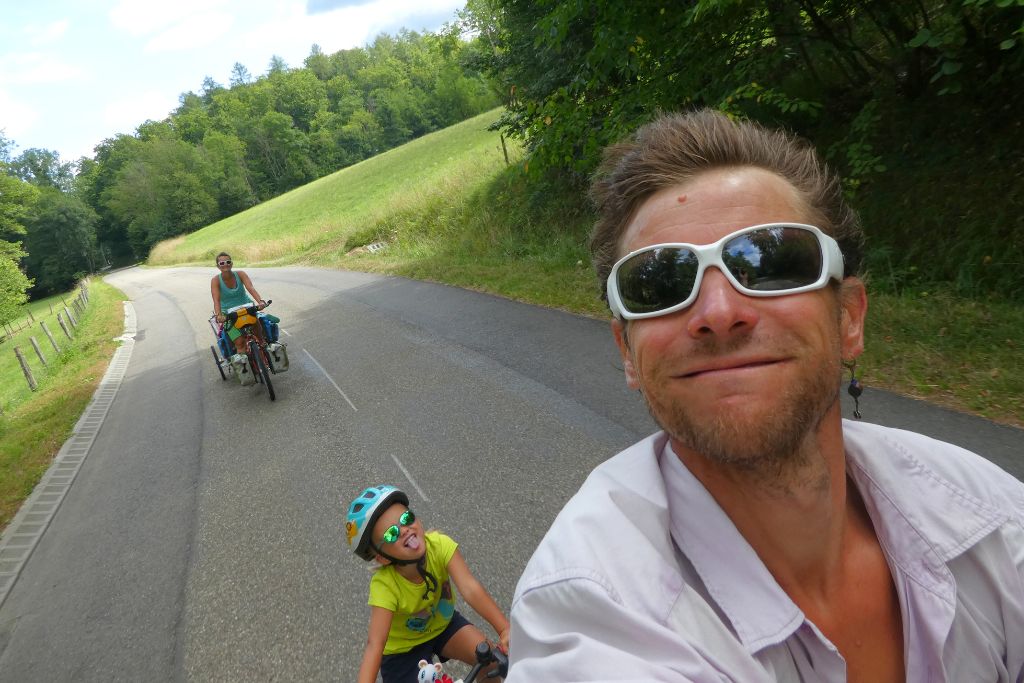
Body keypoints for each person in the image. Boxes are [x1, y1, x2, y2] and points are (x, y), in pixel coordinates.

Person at [508, 109, 1024, 681]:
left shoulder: (991, 518)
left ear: (849, 317)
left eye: (773, 263)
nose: (719, 314)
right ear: (627, 352)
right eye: (660, 281)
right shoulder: (595, 617)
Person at [346, 485, 510, 683]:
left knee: (491, 661)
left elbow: (470, 588)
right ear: (382, 558)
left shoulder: (440, 545)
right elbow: (375, 644)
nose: (405, 530)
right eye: (391, 534)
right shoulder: (384, 586)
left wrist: (504, 629)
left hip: (443, 625)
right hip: (402, 652)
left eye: (407, 518)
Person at [210, 252, 282, 383]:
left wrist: (260, 301)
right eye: (222, 263)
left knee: (260, 336)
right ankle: (246, 373)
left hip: (247, 307)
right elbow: (216, 300)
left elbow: (250, 288)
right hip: (228, 313)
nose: (225, 265)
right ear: (218, 266)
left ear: (232, 263)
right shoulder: (215, 280)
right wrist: (219, 315)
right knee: (239, 343)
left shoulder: (240, 274)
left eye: (228, 262)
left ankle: (264, 353)